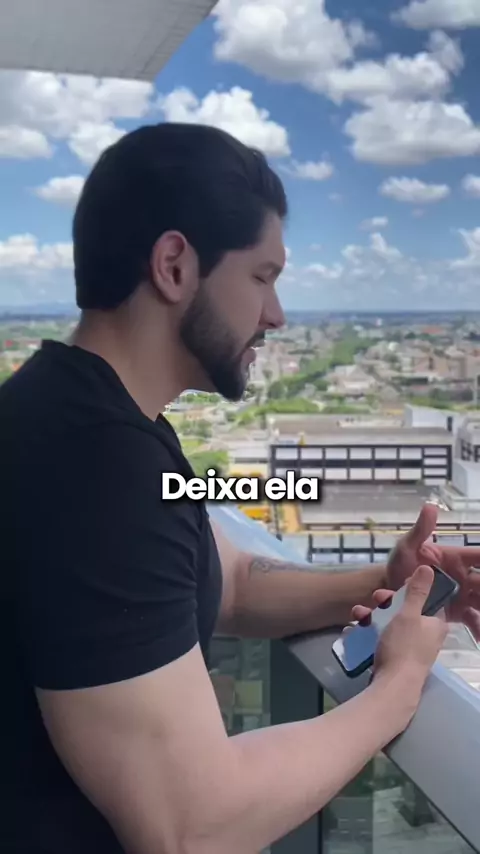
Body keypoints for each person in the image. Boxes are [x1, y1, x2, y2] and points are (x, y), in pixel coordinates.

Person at [1, 123, 479, 854]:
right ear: (174, 266)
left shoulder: (82, 415)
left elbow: (229, 583)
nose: (277, 315)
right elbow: (192, 826)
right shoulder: (99, 463)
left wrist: (390, 579)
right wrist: (398, 687)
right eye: (262, 276)